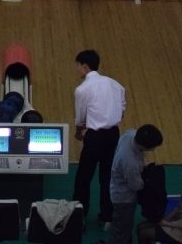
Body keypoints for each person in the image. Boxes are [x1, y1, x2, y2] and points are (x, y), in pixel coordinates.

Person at [72, 49, 126, 229]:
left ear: (85, 67)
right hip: (113, 135)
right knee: (108, 177)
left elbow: (80, 118)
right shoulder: (115, 84)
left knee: (83, 178)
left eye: (78, 66)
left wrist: (79, 133)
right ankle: (107, 218)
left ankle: (79, 215)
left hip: (94, 137)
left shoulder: (82, 89)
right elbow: (122, 109)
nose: (77, 70)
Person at [106, 124, 164, 244]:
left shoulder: (130, 134)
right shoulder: (130, 161)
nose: (153, 150)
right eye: (153, 147)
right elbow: (136, 185)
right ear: (143, 146)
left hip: (117, 189)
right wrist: (149, 181)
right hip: (124, 199)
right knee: (121, 231)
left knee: (124, 227)